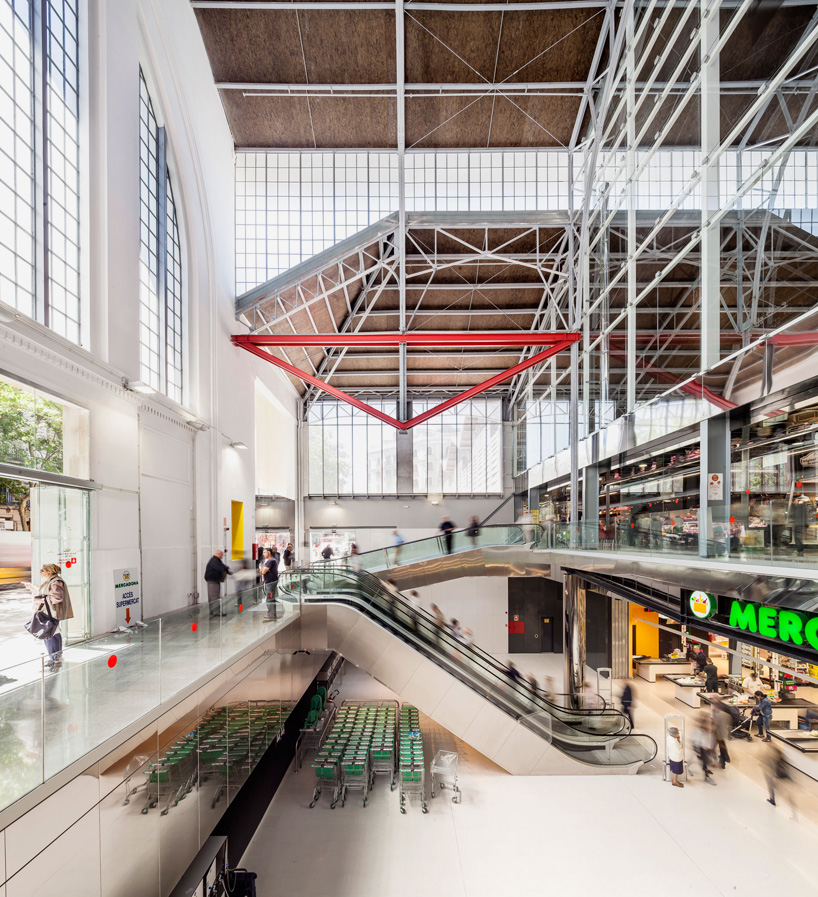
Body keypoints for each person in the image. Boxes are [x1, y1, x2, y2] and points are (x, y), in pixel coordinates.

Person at [25, 563, 74, 669]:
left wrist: (40, 599)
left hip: (51, 614)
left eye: (42, 570)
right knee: (51, 634)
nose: (40, 572)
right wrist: (33, 588)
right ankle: (54, 658)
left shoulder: (56, 582)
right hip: (49, 613)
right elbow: (46, 593)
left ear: (49, 571)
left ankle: (55, 659)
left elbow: (56, 598)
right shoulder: (52, 581)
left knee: (51, 635)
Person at [764, 742, 798, 819]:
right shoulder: (782, 758)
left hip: (779, 776)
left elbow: (774, 767)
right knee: (786, 794)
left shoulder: (777, 759)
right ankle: (794, 813)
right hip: (784, 776)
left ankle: (772, 800)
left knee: (773, 786)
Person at [204, 550, 231, 616]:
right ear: (218, 554)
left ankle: (213, 611)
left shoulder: (216, 560)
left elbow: (223, 566)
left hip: (214, 580)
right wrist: (227, 569)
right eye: (221, 554)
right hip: (213, 581)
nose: (222, 556)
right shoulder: (214, 561)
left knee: (213, 596)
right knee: (214, 597)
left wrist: (227, 570)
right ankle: (216, 612)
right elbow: (221, 568)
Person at [692, 713, 717, 785]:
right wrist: (698, 750)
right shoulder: (699, 731)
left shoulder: (707, 730)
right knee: (704, 762)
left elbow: (709, 739)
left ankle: (705, 770)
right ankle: (706, 776)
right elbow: (697, 741)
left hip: (706, 748)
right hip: (701, 749)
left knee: (705, 761)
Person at [258, 548, 279, 622]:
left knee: (269, 599)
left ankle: (271, 615)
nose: (263, 554)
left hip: (270, 582)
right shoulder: (270, 561)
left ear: (269, 553)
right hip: (270, 582)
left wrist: (263, 570)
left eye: (264, 552)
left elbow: (263, 571)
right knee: (271, 598)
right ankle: (273, 614)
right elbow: (263, 570)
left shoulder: (271, 561)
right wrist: (264, 570)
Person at [710, 697, 731, 768]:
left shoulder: (717, 715)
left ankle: (718, 762)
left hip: (718, 734)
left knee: (714, 747)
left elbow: (715, 725)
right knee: (722, 747)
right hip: (724, 733)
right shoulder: (727, 715)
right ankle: (725, 759)